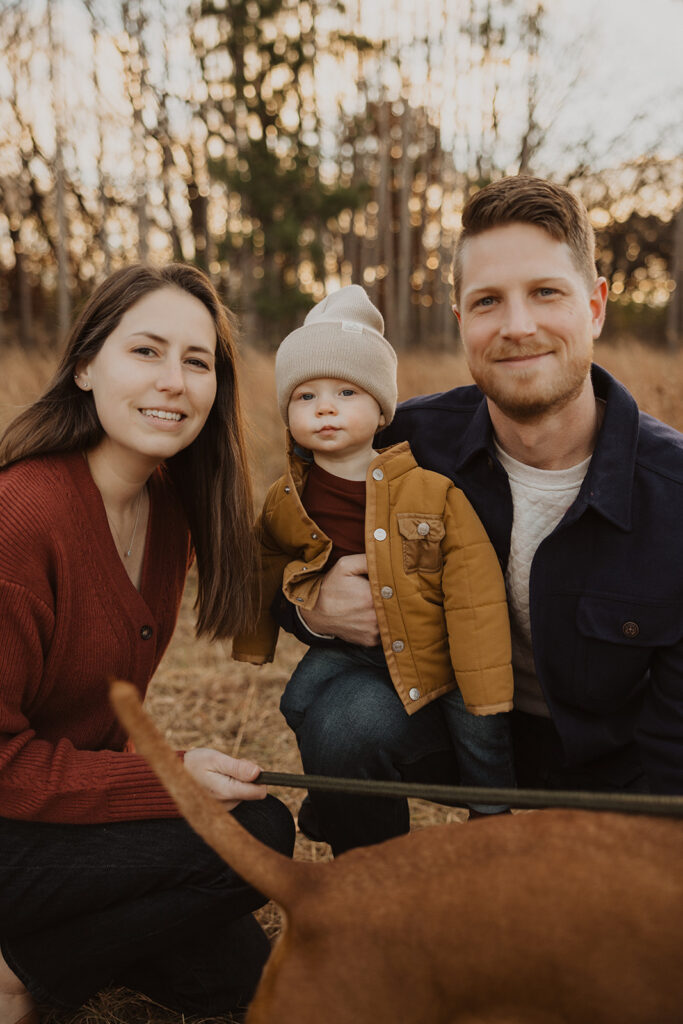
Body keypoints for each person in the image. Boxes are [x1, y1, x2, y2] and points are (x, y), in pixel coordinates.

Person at [276, 175, 683, 837]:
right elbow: (290, 544)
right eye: (488, 301)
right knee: (345, 719)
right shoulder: (399, 447)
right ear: (464, 322)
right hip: (445, 720)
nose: (517, 327)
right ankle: (371, 905)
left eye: (545, 293)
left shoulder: (673, 497)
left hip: (614, 765)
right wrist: (310, 608)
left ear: (595, 307)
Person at [0, 263, 295, 1024]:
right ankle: (16, 978)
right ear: (85, 365)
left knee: (238, 981)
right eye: (146, 352)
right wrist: (169, 781)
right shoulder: (21, 521)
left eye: (196, 362)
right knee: (254, 835)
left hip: (48, 815)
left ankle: (42, 946)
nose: (174, 380)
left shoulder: (167, 511)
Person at [233, 285, 516, 855]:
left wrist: (482, 678)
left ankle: (495, 825)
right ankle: (338, 800)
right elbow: (266, 562)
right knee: (297, 701)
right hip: (354, 647)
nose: (325, 407)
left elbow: (474, 590)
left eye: (345, 391)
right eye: (305, 396)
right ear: (288, 414)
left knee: (483, 736)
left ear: (382, 408)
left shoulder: (429, 491)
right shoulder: (286, 498)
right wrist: (270, 624)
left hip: (440, 652)